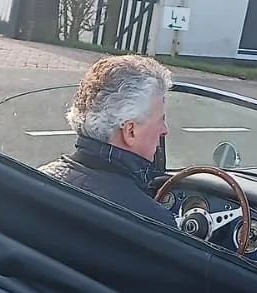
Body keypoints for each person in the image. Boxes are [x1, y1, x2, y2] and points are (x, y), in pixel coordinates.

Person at [38, 55, 178, 228]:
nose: (165, 130)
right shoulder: (154, 222)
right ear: (130, 131)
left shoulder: (36, 182)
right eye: (160, 120)